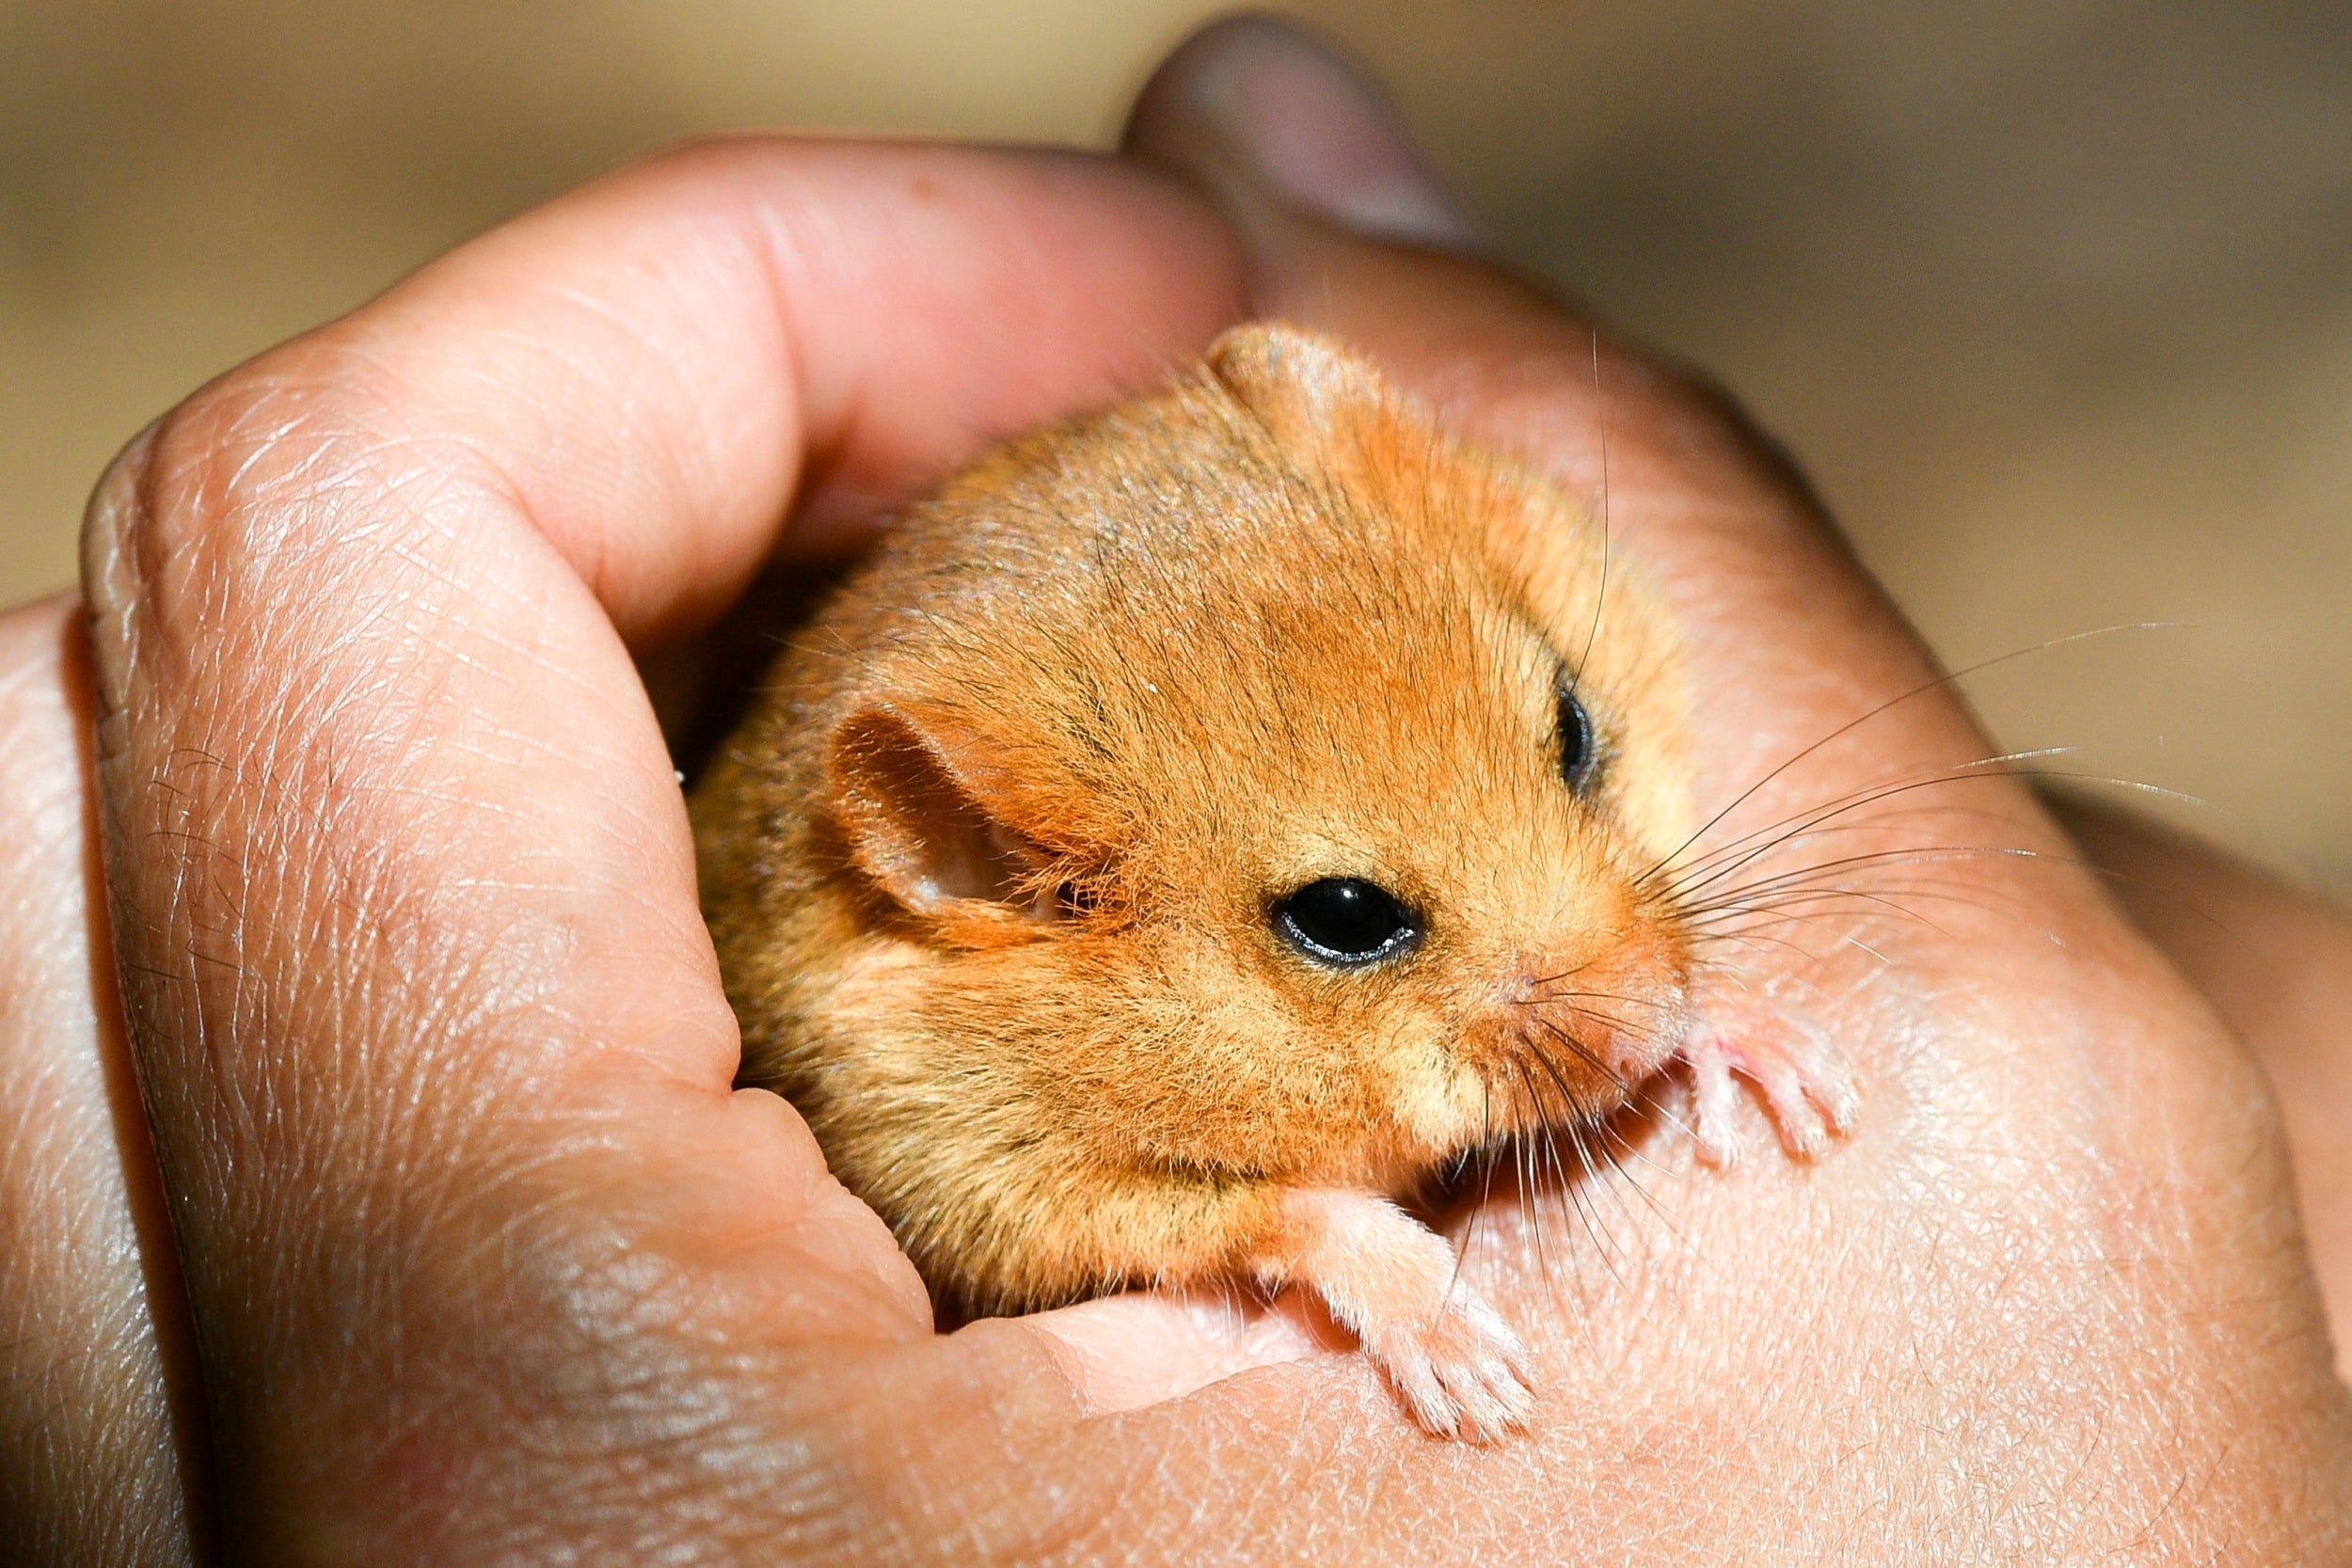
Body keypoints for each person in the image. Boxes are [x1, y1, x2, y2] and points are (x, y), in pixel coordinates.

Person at [5, 17, 2350, 1561]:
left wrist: (1678, 973)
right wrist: (1270, 1220)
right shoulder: (935, 952)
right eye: (1350, 921)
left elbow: (1587, 744)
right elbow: (956, 1176)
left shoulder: (1401, 510)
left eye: (1565, 754)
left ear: (1351, 422)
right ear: (976, 862)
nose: (1614, 965)